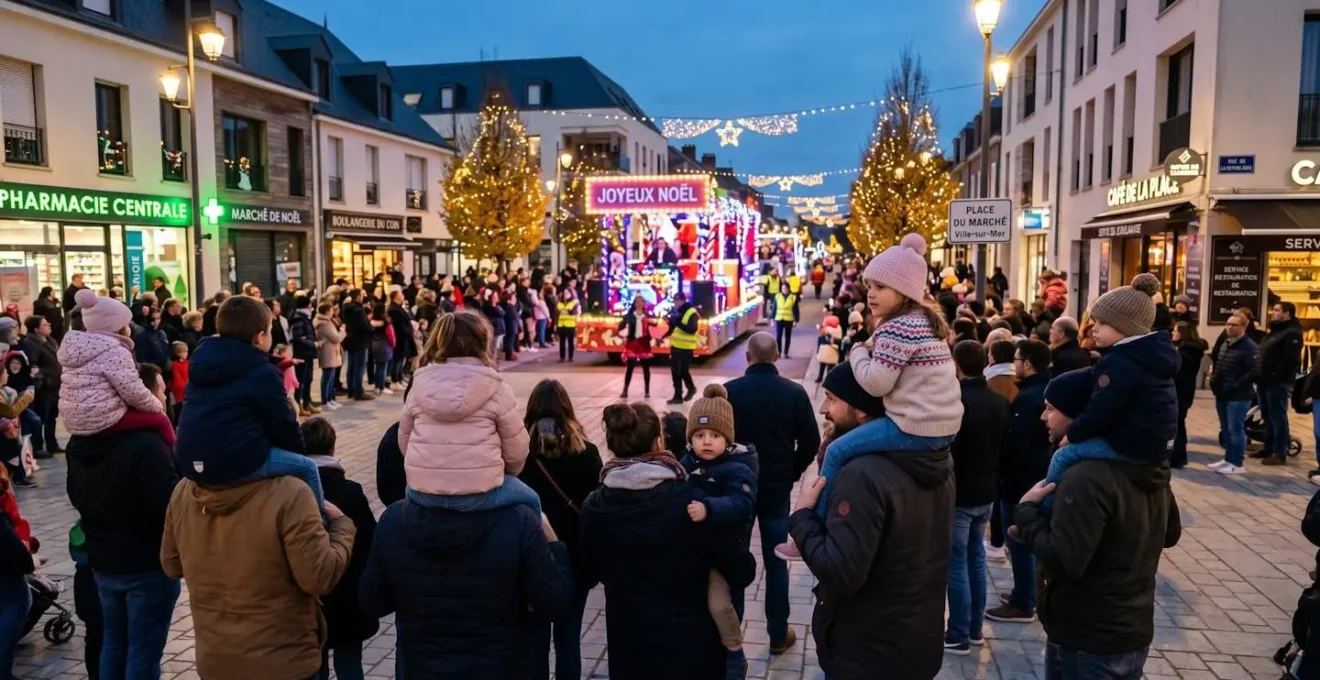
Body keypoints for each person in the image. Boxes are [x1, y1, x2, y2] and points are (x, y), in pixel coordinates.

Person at [779, 234, 962, 560]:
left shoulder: (898, 328)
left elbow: (877, 383)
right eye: (871, 285)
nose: (871, 294)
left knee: (836, 450)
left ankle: (811, 527)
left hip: (915, 425)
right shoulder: (920, 321)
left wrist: (860, 353)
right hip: (941, 425)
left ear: (903, 291)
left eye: (880, 287)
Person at [787, 361, 954, 679]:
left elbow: (839, 571)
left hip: (867, 654)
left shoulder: (862, 474)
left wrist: (802, 517)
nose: (823, 408)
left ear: (862, 410)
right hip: (915, 641)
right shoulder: (934, 457)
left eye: (832, 399)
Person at [1013, 367, 1181, 680]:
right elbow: (1169, 532)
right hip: (1128, 627)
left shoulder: (1086, 476)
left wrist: (1026, 512)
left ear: (1077, 416)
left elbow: (1065, 559)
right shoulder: (1145, 463)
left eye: (1050, 409)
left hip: (1088, 636)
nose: (1042, 417)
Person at [161, 427, 355, 680]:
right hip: (284, 663)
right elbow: (319, 577)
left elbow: (171, 564)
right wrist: (342, 527)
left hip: (217, 661)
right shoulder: (291, 493)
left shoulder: (184, 491)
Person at [580, 401, 756, 679]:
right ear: (658, 442)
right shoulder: (692, 503)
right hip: (692, 651)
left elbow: (589, 572)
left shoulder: (595, 507)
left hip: (630, 650)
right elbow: (741, 569)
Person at [66, 357, 180, 680]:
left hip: (103, 559)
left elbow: (75, 494)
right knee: (142, 651)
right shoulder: (148, 443)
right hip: (145, 562)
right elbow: (166, 504)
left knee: (114, 643)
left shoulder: (83, 439)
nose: (165, 396)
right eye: (160, 389)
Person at [174, 296, 322, 508]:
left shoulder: (202, 359)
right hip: (233, 460)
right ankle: (319, 526)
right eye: (270, 330)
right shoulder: (262, 372)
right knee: (308, 467)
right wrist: (298, 453)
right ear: (260, 337)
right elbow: (284, 424)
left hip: (190, 458)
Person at [722, 331, 819, 653]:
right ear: (777, 356)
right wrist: (792, 471)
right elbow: (811, 442)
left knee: (734, 557)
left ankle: (730, 635)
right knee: (776, 559)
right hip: (776, 488)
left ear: (748, 357)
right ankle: (778, 633)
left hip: (737, 487)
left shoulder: (728, 393)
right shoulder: (794, 393)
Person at [399, 311, 539, 514]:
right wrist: (502, 472)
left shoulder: (419, 384)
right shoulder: (495, 386)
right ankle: (547, 546)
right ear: (482, 343)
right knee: (532, 501)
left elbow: (404, 442)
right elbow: (517, 450)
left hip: (423, 491)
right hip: (480, 493)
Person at [518, 379, 603, 680]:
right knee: (568, 641)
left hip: (530, 560)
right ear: (568, 409)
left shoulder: (520, 457)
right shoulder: (588, 453)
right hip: (575, 561)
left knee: (535, 642)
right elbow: (596, 510)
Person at [1054, 274, 1178, 479]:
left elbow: (1101, 408)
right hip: (1156, 445)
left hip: (1135, 447)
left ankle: (1043, 506)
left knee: (1064, 455)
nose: (1093, 328)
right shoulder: (1149, 354)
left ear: (1125, 326)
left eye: (1101, 323)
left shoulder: (1119, 362)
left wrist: (1072, 434)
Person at [942, 341, 1010, 654]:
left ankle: (957, 632)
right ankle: (973, 630)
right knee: (975, 560)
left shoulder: (958, 401)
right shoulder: (998, 401)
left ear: (957, 366)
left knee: (957, 564)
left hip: (961, 493)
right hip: (986, 491)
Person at [299, 417, 378, 680]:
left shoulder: (295, 493)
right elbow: (369, 542)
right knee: (349, 661)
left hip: (311, 598)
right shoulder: (351, 491)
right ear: (333, 447)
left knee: (314, 663)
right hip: (348, 597)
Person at [985, 339, 1053, 624]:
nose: (1014, 364)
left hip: (1021, 479)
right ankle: (1026, 594)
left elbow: (1016, 443)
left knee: (1019, 540)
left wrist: (1001, 467)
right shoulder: (1038, 391)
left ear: (1027, 363)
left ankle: (1024, 600)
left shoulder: (1029, 398)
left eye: (1017, 359)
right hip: (1034, 473)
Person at [58, 290, 171, 446]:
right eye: (126, 324)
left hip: (74, 419)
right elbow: (133, 392)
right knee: (160, 420)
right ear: (116, 326)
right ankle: (174, 459)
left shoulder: (76, 348)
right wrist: (157, 405)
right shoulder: (114, 351)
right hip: (101, 418)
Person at [1209, 312, 1260, 475]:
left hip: (1238, 396)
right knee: (1225, 428)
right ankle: (1228, 459)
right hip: (1222, 393)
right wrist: (1214, 382)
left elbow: (1254, 371)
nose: (1229, 327)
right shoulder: (1226, 343)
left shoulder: (1249, 346)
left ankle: (1236, 462)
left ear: (1243, 327)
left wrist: (1235, 385)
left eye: (1234, 325)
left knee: (1235, 429)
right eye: (1228, 324)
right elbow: (1220, 364)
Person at [1257, 301, 1303, 466]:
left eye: (1277, 310)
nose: (1272, 313)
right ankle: (1268, 447)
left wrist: (1276, 374)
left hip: (1277, 382)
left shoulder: (1292, 333)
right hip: (1264, 380)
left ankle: (1279, 451)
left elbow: (1292, 359)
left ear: (1287, 314)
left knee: (1277, 417)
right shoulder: (1274, 331)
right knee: (1267, 415)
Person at [21, 314, 62, 455]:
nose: (49, 325)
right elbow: (33, 365)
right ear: (36, 329)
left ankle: (52, 444)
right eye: (44, 324)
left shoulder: (49, 340)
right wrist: (43, 376)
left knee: (52, 417)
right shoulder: (31, 344)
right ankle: (38, 447)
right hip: (44, 388)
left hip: (54, 386)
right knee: (42, 417)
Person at [1171, 321, 1209, 469]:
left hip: (1180, 392)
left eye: (1176, 331)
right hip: (1185, 392)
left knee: (1178, 425)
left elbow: (1177, 373)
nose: (1173, 333)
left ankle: (1178, 456)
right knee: (1179, 423)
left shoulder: (1184, 353)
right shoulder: (1188, 350)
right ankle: (1179, 455)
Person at [665, 291, 701, 404]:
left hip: (686, 347)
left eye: (678, 300)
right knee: (675, 371)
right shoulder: (677, 312)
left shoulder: (692, 313)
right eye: (675, 300)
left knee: (683, 371)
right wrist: (668, 324)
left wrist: (677, 322)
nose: (676, 303)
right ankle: (677, 396)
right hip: (676, 346)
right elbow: (674, 328)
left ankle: (691, 388)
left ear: (683, 300)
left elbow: (692, 329)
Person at [288, 295, 319, 415]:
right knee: (301, 381)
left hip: (308, 354)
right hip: (302, 354)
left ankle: (307, 402)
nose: (311, 308)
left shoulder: (305, 318)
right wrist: (312, 343)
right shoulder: (299, 319)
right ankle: (300, 405)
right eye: (309, 306)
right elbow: (298, 338)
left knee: (309, 379)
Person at [341, 289, 373, 402]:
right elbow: (364, 325)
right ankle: (358, 391)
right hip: (360, 341)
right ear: (358, 297)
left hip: (350, 340)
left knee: (351, 366)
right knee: (359, 367)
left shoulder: (346, 308)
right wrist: (371, 328)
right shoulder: (359, 310)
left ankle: (351, 390)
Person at [618, 296, 653, 398]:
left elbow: (651, 328)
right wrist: (623, 335)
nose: (639, 304)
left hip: (644, 343)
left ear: (644, 304)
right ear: (634, 303)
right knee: (630, 367)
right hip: (632, 343)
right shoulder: (629, 316)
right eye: (637, 302)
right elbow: (620, 328)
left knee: (646, 368)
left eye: (641, 302)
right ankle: (625, 390)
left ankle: (647, 391)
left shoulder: (647, 315)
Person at [315, 302, 346, 412]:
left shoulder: (328, 322)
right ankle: (325, 401)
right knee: (327, 377)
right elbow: (336, 338)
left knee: (331, 377)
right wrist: (342, 331)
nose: (333, 312)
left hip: (332, 353)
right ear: (328, 311)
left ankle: (330, 399)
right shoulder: (324, 324)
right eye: (331, 310)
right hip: (328, 353)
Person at [985, 339, 1019, 403]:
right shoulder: (1020, 377)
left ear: (993, 357)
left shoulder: (989, 381)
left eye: (989, 352)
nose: (988, 355)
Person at [772, 282, 798, 358]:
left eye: (785, 288)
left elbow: (796, 309)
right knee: (778, 337)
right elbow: (774, 308)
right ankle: (778, 352)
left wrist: (796, 320)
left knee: (788, 337)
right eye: (783, 288)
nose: (784, 290)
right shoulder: (777, 296)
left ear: (788, 289)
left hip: (789, 319)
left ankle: (786, 353)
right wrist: (772, 319)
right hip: (779, 319)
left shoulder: (793, 297)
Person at [555, 288, 580, 363]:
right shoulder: (559, 303)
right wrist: (566, 311)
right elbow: (557, 312)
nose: (565, 295)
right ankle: (562, 357)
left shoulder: (574, 302)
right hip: (561, 325)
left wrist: (565, 311)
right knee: (561, 342)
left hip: (571, 324)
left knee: (570, 342)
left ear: (571, 294)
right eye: (564, 293)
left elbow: (573, 312)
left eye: (567, 293)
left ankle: (570, 357)